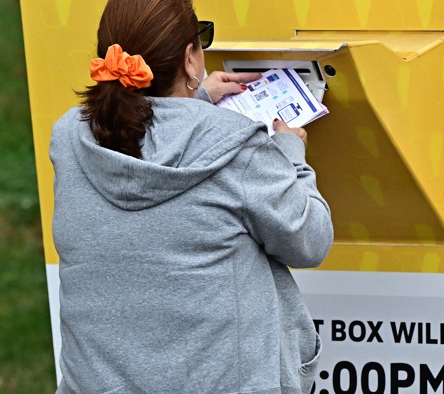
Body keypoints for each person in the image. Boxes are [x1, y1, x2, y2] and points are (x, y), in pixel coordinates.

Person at [49, 0, 333, 392]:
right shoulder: (238, 147)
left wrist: (193, 102)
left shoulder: (69, 138)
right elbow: (310, 240)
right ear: (189, 58)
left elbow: (147, 142)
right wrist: (290, 156)